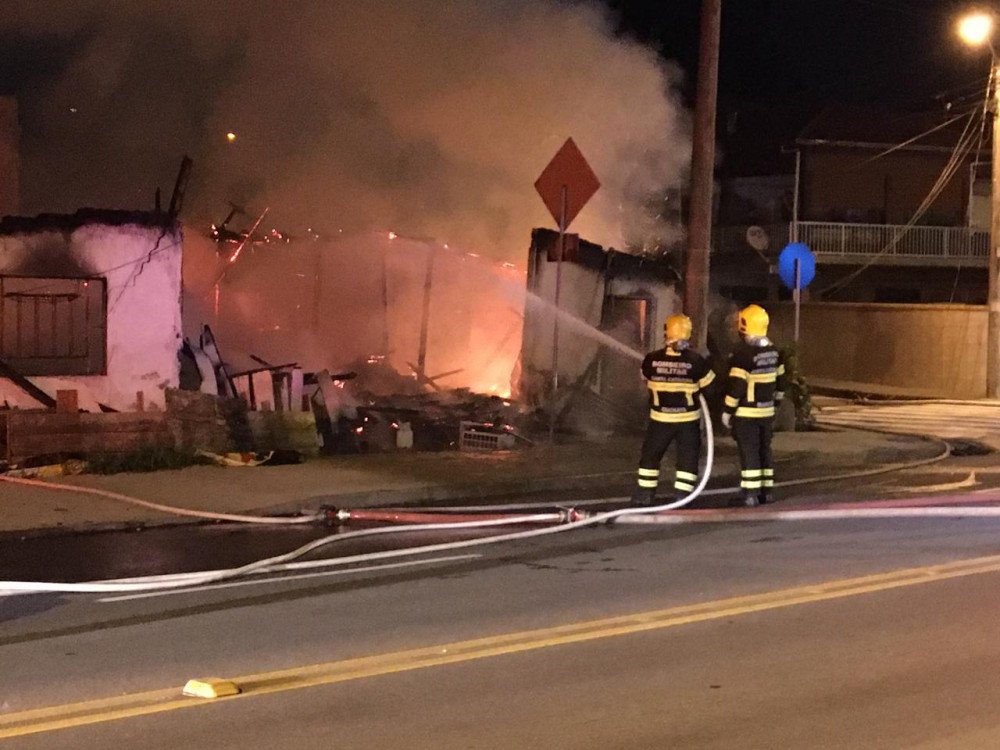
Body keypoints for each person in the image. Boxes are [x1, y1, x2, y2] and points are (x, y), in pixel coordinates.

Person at [632, 314, 715, 507]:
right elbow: (710, 389)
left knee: (651, 456)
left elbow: (645, 380)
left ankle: (645, 494)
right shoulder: (696, 361)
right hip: (687, 421)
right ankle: (683, 496)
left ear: (667, 332)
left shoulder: (651, 360)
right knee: (687, 458)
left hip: (659, 420)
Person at [721, 304, 787, 507]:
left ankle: (750, 493)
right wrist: (775, 404)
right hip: (766, 412)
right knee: (764, 450)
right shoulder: (775, 352)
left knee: (749, 452)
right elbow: (781, 382)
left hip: (746, 413)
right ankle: (767, 492)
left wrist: (727, 410)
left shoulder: (743, 355)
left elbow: (737, 386)